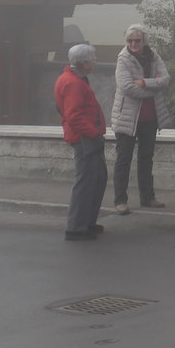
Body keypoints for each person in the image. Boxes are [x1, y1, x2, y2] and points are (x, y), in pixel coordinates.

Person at [111, 24, 172, 214]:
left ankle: (148, 197)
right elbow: (127, 87)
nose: (133, 44)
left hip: (150, 117)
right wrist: (153, 89)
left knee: (146, 159)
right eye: (130, 41)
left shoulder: (153, 56)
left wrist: (145, 82)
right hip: (127, 118)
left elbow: (166, 79)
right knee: (124, 160)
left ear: (144, 41)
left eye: (137, 41)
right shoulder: (123, 59)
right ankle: (120, 200)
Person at [54, 43, 108, 241]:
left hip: (86, 136)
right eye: (92, 58)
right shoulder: (74, 83)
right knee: (86, 182)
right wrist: (94, 132)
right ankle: (77, 227)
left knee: (97, 179)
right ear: (84, 62)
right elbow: (74, 115)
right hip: (85, 138)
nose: (95, 61)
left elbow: (65, 110)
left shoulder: (72, 79)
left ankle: (86, 223)